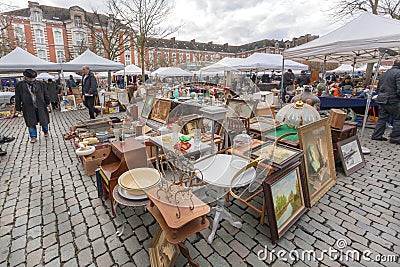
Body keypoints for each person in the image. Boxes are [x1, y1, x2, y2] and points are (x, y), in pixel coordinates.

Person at [15, 69, 50, 143]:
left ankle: (46, 131)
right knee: (30, 122)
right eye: (30, 78)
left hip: (40, 105)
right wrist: (18, 108)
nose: (32, 79)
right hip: (28, 106)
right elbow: (17, 97)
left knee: (44, 120)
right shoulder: (20, 85)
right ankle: (33, 136)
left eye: (33, 78)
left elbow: (45, 94)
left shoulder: (40, 84)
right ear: (26, 77)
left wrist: (48, 102)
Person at [371, 59, 400, 144]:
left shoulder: (384, 73)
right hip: (393, 100)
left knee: (382, 119)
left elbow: (379, 88)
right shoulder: (398, 73)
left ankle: (377, 135)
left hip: (382, 99)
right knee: (398, 119)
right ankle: (395, 138)